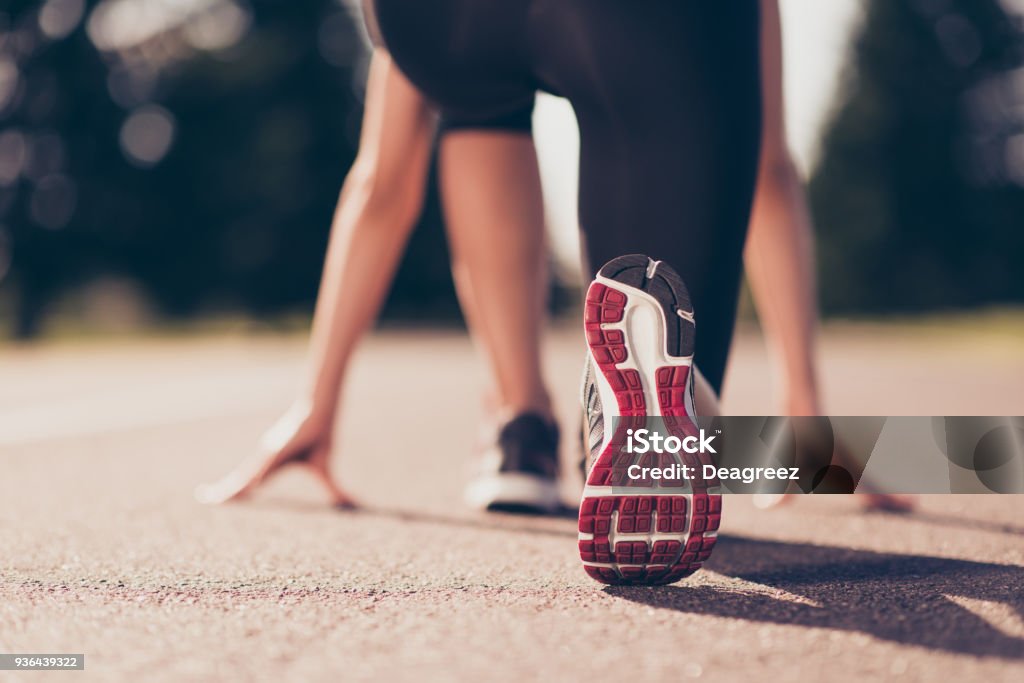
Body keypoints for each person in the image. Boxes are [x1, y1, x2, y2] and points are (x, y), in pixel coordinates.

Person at [197, 0, 858, 517]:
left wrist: (317, 402)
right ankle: (645, 437)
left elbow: (383, 185)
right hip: (645, 18)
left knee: (472, 96)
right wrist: (805, 413)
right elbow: (767, 170)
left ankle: (521, 425)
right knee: (664, 426)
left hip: (437, 18)